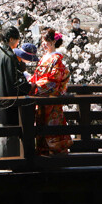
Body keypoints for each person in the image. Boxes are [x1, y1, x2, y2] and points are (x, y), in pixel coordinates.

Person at [29, 28, 73, 156]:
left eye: (46, 41)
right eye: (42, 41)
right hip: (41, 97)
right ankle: (43, 150)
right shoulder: (44, 58)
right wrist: (30, 82)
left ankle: (56, 151)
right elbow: (37, 75)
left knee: (51, 124)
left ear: (53, 42)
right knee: (41, 122)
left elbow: (54, 79)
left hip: (51, 98)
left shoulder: (56, 58)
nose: (43, 44)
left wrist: (35, 86)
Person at [0, 26, 31, 158]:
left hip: (2, 97)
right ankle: (13, 158)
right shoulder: (10, 56)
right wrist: (29, 86)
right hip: (11, 101)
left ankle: (1, 156)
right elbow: (16, 80)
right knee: (12, 131)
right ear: (11, 39)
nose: (18, 42)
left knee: (3, 127)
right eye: (17, 39)